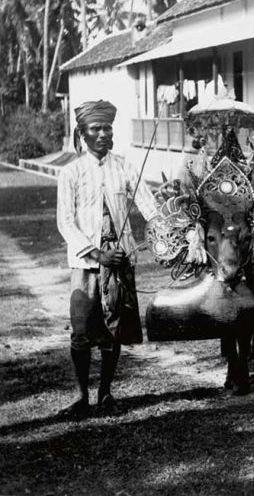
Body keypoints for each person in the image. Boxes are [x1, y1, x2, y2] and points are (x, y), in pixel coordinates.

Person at [56, 100, 160, 419]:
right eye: (95, 129)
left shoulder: (125, 166)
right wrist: (99, 253)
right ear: (82, 134)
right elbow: (66, 222)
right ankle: (81, 397)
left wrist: (162, 227)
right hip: (87, 266)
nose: (102, 134)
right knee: (81, 331)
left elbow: (148, 205)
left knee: (113, 331)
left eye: (107, 128)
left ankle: (105, 394)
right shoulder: (70, 172)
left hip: (120, 263)